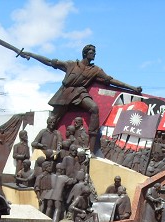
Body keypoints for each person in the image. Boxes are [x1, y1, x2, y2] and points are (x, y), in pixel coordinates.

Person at [14, 43, 142, 152]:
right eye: (92, 52)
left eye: (95, 52)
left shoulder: (96, 70)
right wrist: (30, 54)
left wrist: (132, 88)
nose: (94, 55)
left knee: (94, 108)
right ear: (86, 53)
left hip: (80, 93)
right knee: (53, 120)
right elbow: (48, 61)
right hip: (65, 93)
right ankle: (42, 145)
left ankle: (91, 149)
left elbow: (111, 80)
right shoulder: (71, 64)